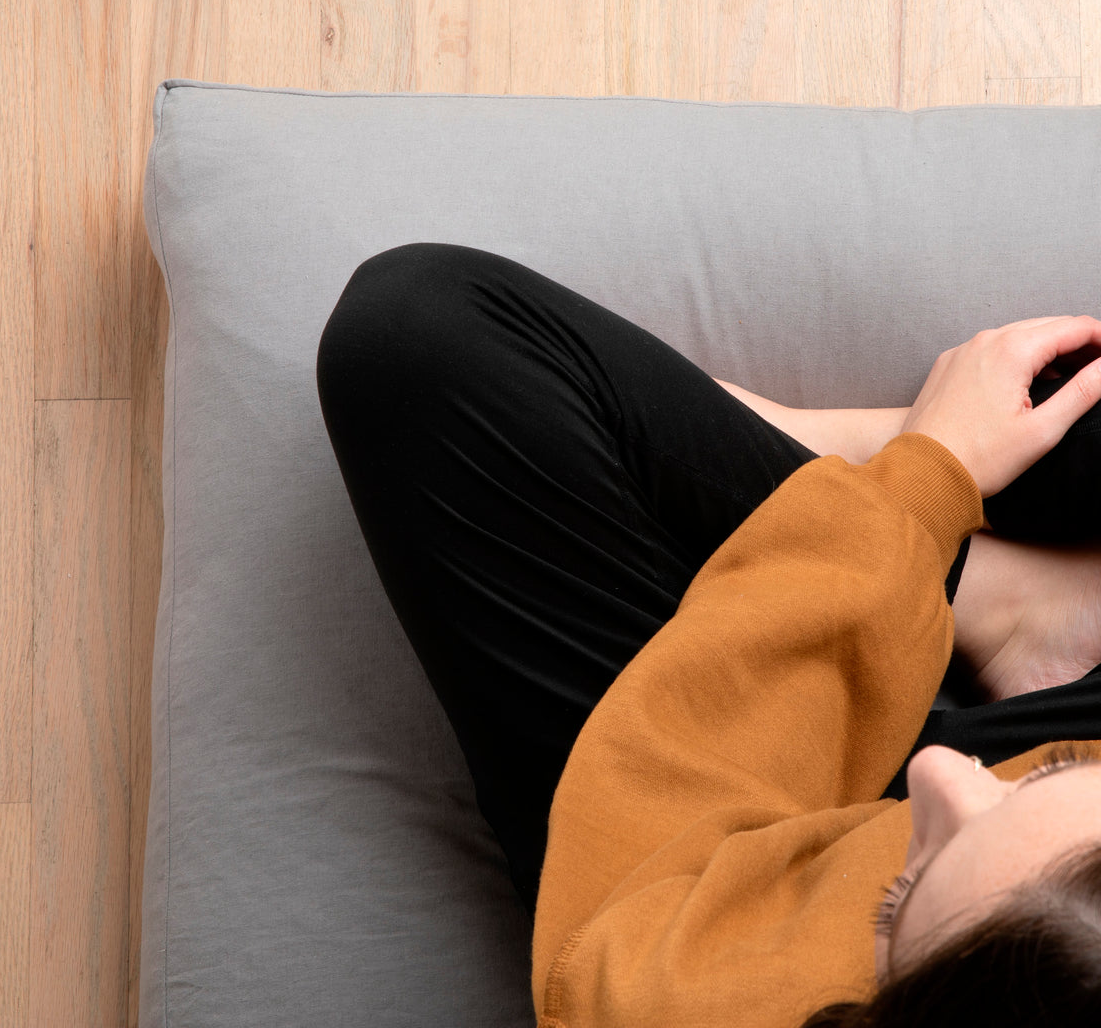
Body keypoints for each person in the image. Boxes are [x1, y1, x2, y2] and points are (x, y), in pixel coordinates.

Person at [314, 242, 1101, 1027]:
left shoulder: (672, 1000)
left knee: (414, 338)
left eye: (895, 899)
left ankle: (944, 564)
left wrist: (931, 473)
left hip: (685, 855)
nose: (945, 773)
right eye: (1049, 771)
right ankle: (1001, 608)